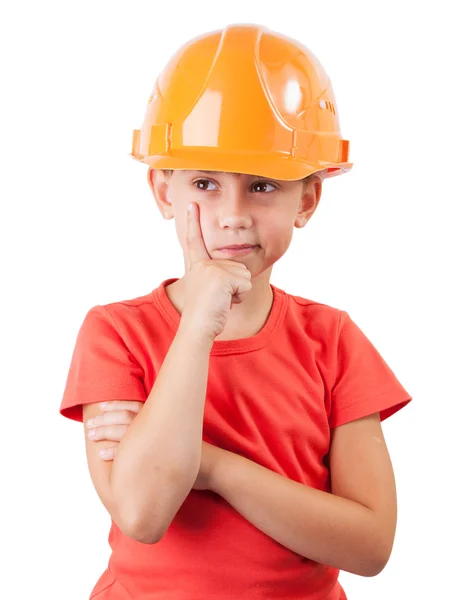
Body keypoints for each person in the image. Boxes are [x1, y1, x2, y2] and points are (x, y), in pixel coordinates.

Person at [59, 23, 412, 600]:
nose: (233, 213)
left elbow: (370, 545)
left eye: (263, 186)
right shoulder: (116, 333)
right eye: (204, 183)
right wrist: (197, 324)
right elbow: (144, 514)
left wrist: (214, 468)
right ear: (162, 191)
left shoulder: (335, 340)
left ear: (308, 199)